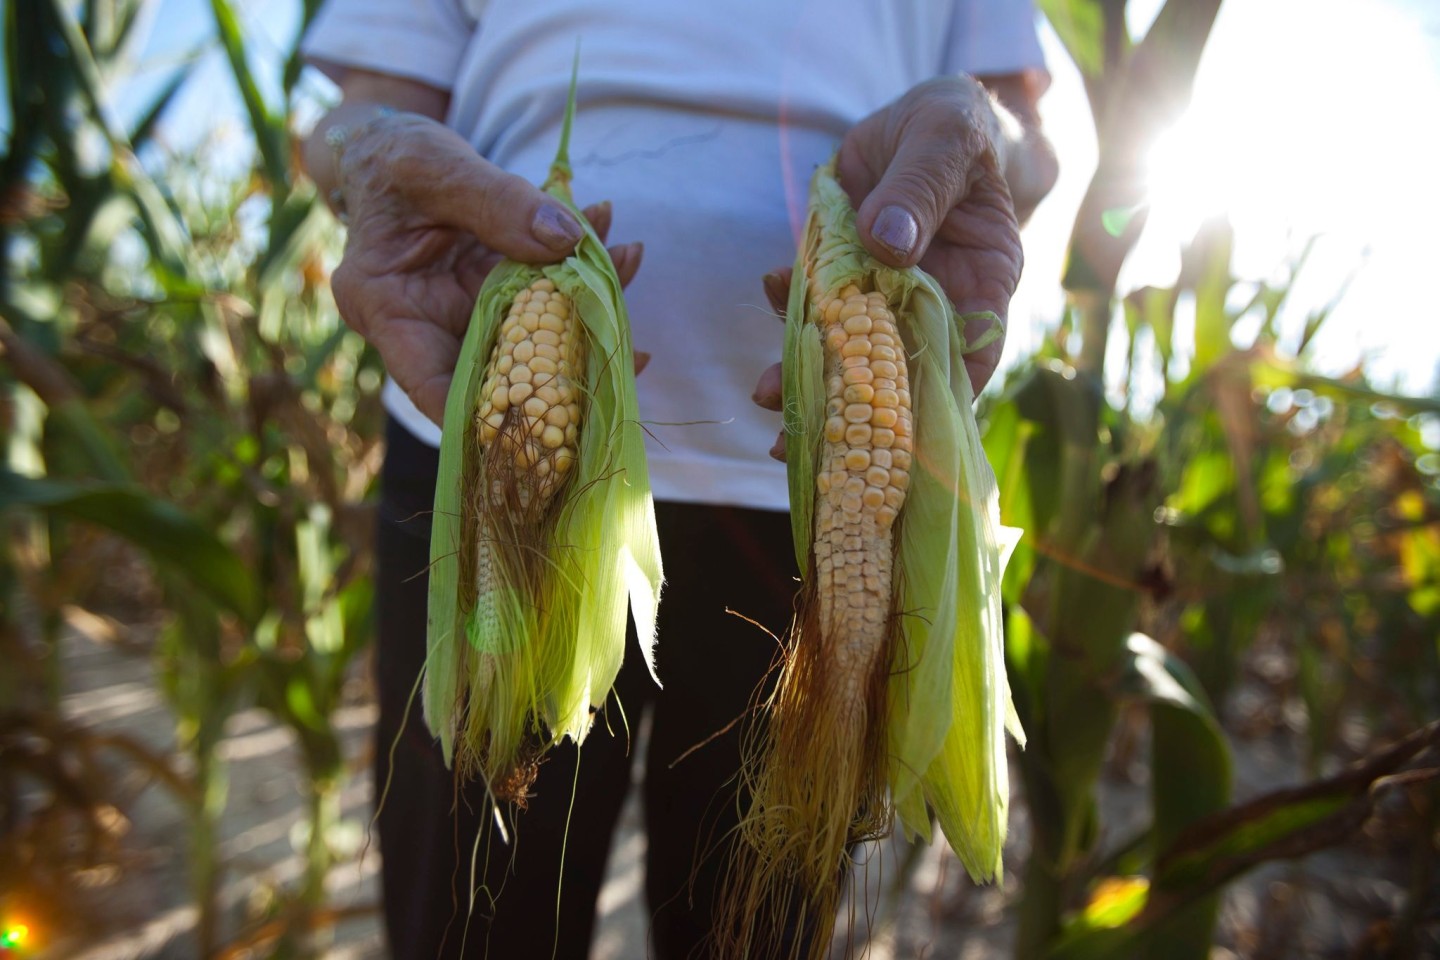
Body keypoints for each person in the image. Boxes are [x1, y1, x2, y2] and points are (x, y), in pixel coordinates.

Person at [299, 3, 1057, 957]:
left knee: (752, 921)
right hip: (480, 437)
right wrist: (369, 148)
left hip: (806, 495)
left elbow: (1030, 146)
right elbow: (351, 118)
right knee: (470, 914)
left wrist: (984, 133)